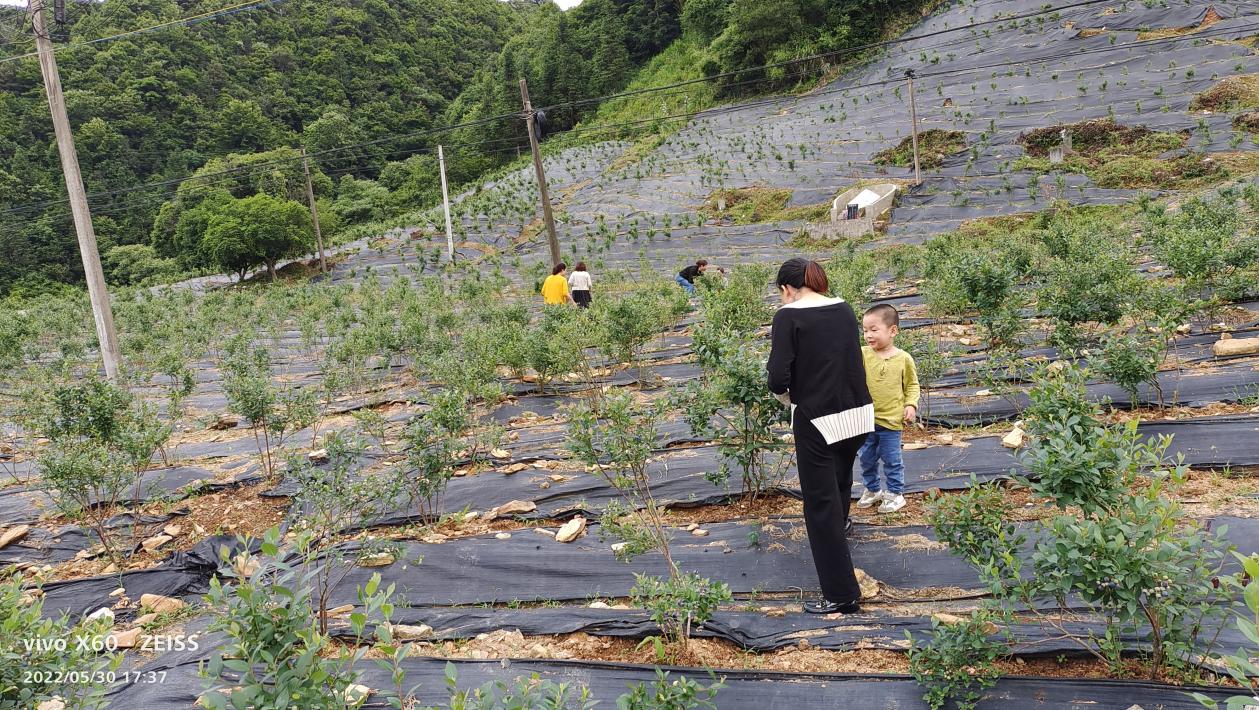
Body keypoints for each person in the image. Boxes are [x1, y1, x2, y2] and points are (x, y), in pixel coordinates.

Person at [767, 257, 874, 614]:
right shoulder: (844, 308)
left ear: (786, 289)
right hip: (858, 412)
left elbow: (777, 378)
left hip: (817, 417)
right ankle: (842, 526)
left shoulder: (788, 316)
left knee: (819, 505)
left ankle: (842, 594)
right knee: (840, 479)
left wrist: (790, 399)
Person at [856, 304, 920, 514]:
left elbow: (912, 385)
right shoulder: (863, 354)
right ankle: (873, 489)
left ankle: (895, 493)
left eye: (874, 330)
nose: (868, 335)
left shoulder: (903, 359)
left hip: (891, 421)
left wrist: (910, 404)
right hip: (866, 419)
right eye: (865, 330)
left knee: (892, 459)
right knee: (866, 457)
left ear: (893, 331)